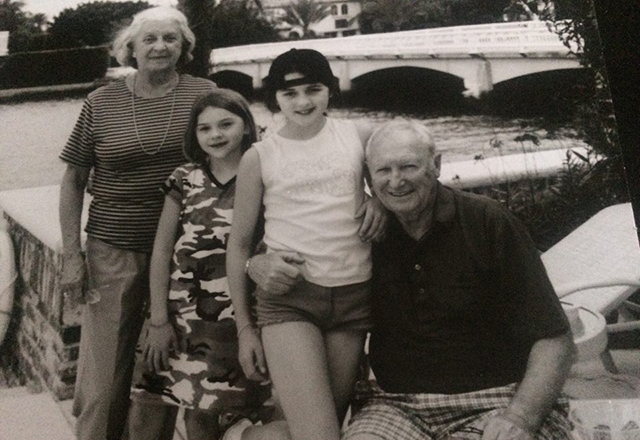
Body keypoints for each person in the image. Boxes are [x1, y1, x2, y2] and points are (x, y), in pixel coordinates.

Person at [248, 120, 577, 440]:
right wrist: (257, 262)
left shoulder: (488, 222)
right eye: (383, 171)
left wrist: (520, 418)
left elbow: (555, 338)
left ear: (436, 165)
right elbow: (294, 242)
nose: (396, 181)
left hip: (494, 400)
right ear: (368, 177)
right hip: (396, 406)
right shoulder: (362, 233)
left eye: (408, 167)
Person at [58, 6, 216, 440]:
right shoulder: (102, 101)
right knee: (105, 379)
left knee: (167, 377)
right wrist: (72, 255)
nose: (160, 46)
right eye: (149, 39)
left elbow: (240, 163)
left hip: (190, 255)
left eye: (170, 38)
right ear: (130, 48)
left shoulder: (204, 94)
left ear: (184, 47)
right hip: (114, 251)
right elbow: (73, 179)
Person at [225, 48, 386, 440]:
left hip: (352, 297)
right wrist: (246, 329)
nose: (303, 102)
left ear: (330, 90)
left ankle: (244, 437)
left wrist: (380, 200)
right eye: (289, 93)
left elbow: (407, 176)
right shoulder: (259, 156)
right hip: (290, 298)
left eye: (313, 89)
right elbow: (240, 243)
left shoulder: (359, 137)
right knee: (320, 435)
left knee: (306, 430)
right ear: (275, 99)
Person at [127, 89, 273, 440]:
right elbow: (162, 251)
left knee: (204, 420)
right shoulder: (185, 178)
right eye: (204, 128)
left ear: (247, 127)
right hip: (177, 318)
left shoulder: (264, 176)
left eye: (226, 124)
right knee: (147, 411)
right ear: (194, 134)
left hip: (230, 321)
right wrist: (158, 319)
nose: (216, 135)